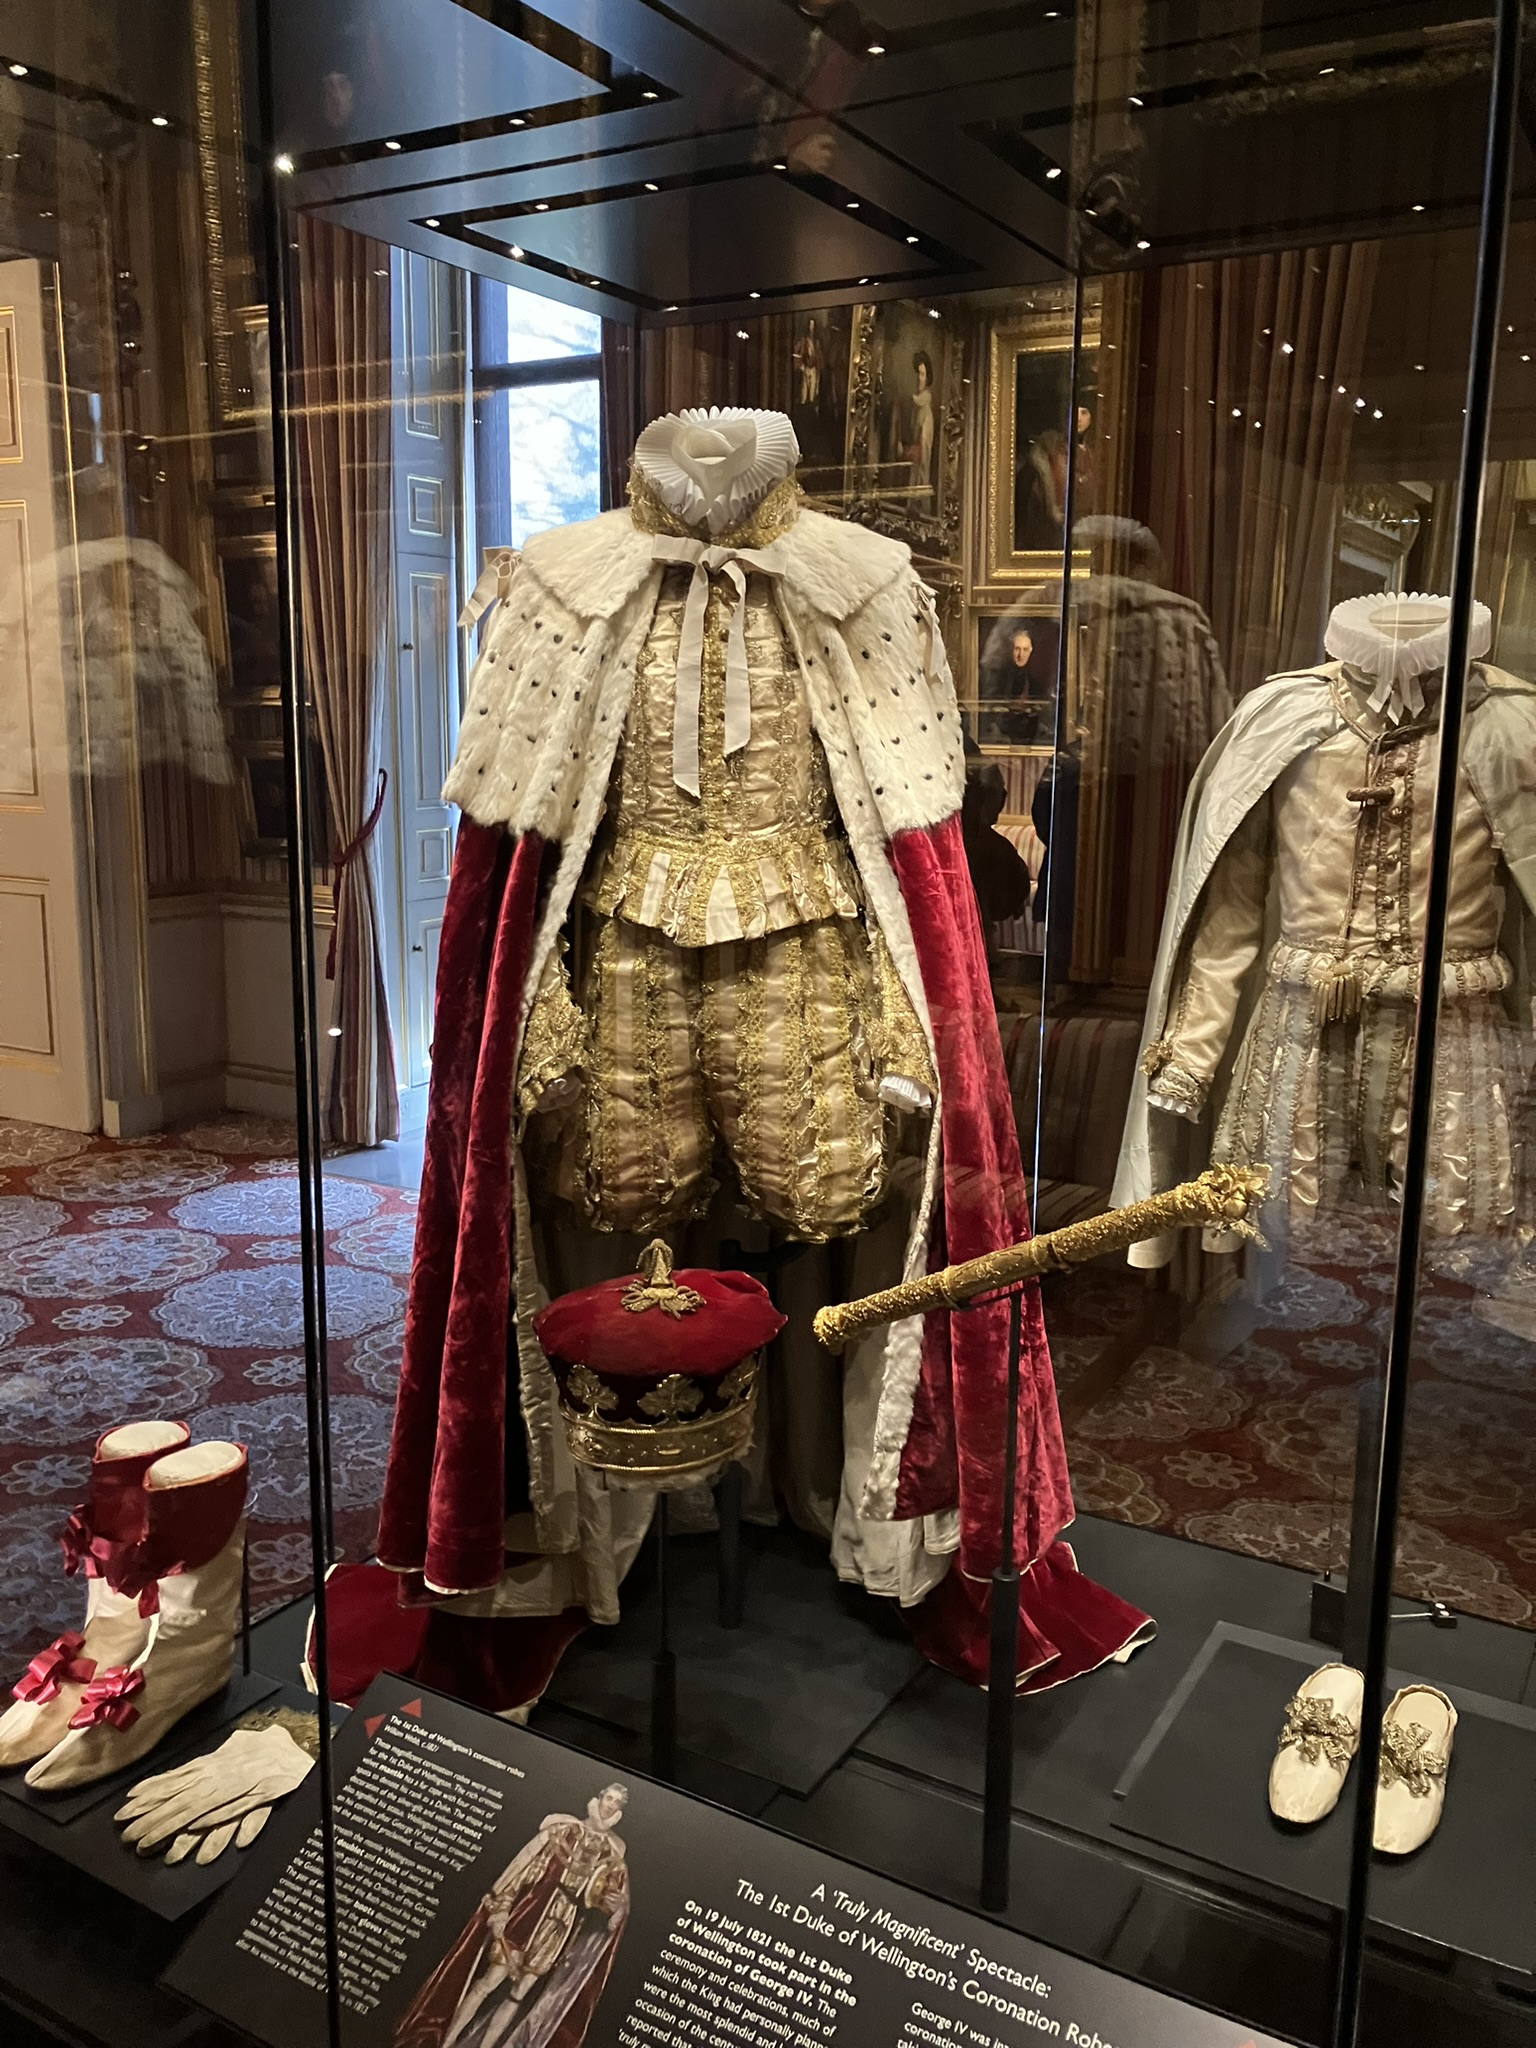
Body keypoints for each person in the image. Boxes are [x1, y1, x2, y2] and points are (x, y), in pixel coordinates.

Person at [395, 1785, 631, 2048]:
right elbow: (521, 1870)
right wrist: (502, 1909)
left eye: (617, 1803)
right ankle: (447, 2043)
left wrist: (616, 1906)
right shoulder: (562, 1830)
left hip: (559, 1926)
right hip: (530, 1913)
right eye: (609, 1798)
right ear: (598, 1799)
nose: (610, 1805)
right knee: (490, 1981)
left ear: (619, 1811)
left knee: (519, 1993)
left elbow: (608, 1901)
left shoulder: (612, 1854)